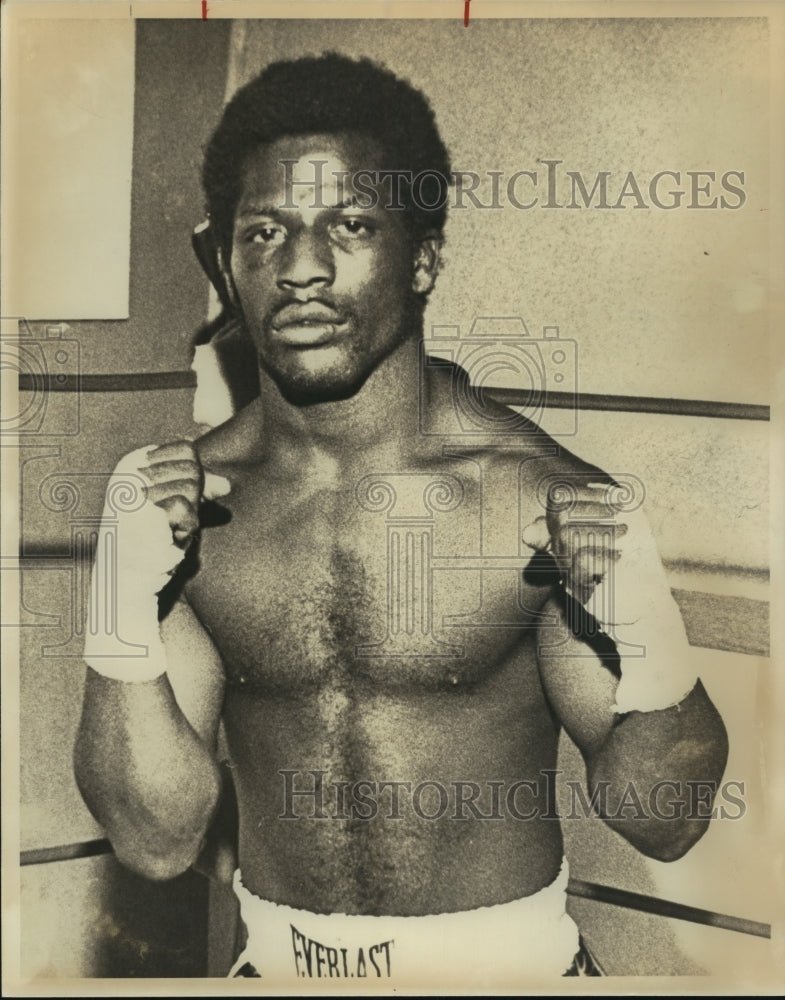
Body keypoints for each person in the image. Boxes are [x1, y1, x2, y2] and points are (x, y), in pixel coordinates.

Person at [74, 53, 729, 984]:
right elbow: (155, 840)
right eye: (263, 231)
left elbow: (665, 821)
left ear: (422, 257)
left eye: (348, 224)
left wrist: (656, 648)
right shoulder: (184, 512)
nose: (300, 268)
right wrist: (117, 618)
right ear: (222, 259)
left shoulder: (535, 499)